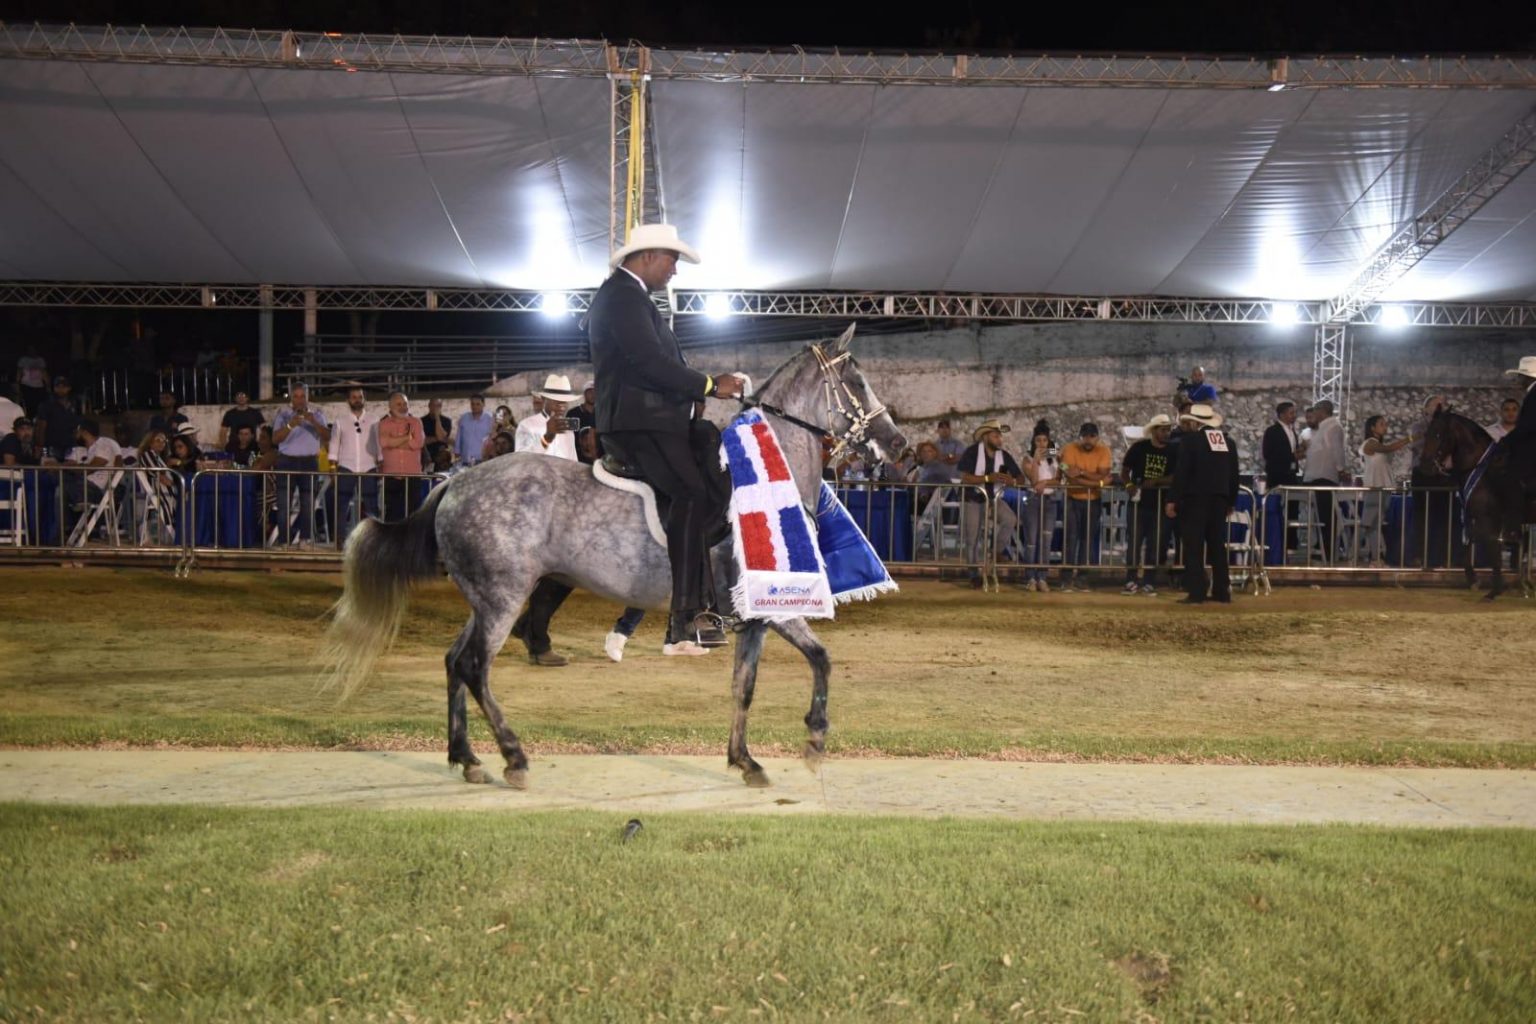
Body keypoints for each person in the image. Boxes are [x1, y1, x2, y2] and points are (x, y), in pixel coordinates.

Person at [587, 223, 745, 654]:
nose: (675, 269)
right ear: (647, 256)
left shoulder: (632, 297)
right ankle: (683, 621)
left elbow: (655, 365)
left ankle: (704, 605)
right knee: (691, 493)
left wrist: (692, 400)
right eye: (672, 259)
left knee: (705, 483)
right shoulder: (622, 296)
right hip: (639, 423)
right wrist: (710, 386)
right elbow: (650, 363)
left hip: (654, 418)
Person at [1167, 404, 1239, 604]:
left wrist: (1172, 499)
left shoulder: (1190, 442)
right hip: (1219, 500)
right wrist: (1230, 500)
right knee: (1217, 546)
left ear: (1194, 422)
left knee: (1194, 546)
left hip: (1195, 499)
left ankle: (1197, 591)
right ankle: (1222, 591)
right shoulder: (1228, 442)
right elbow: (1234, 475)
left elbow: (1182, 473)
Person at [957, 419, 1022, 589]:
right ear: (986, 437)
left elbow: (1020, 478)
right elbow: (965, 477)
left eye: (1000, 436)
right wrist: (987, 478)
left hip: (994, 498)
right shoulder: (972, 452)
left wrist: (1012, 480)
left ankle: (995, 553)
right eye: (996, 435)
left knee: (1010, 519)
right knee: (972, 538)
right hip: (973, 498)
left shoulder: (1004, 455)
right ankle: (973, 575)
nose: (1000, 439)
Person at [1121, 413, 1177, 595]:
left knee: (1156, 544)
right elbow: (1125, 470)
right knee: (1134, 543)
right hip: (1139, 503)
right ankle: (1131, 579)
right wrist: (1129, 485)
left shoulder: (1174, 451)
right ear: (1154, 431)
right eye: (1163, 430)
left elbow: (1177, 476)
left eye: (1168, 429)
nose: (1167, 433)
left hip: (1160, 505)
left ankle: (1149, 580)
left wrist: (1156, 481)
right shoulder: (1139, 448)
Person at [271, 382, 331, 548]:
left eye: (302, 396)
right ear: (291, 397)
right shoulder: (283, 414)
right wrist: (291, 425)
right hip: (286, 461)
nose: (299, 400)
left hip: (309, 462)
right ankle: (284, 541)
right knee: (284, 505)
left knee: (308, 504)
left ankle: (305, 540)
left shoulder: (317, 414)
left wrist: (314, 423)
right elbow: (275, 439)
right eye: (296, 396)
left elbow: (327, 436)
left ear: (307, 397)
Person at [1059, 422, 1111, 591]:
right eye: (1085, 436)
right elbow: (1066, 470)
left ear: (1097, 437)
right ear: (1080, 437)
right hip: (1073, 498)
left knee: (1086, 539)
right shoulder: (1068, 449)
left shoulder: (1104, 451)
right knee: (1070, 538)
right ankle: (1066, 578)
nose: (1088, 440)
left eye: (1092, 436)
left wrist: (1081, 473)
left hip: (1093, 499)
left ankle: (1082, 578)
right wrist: (1096, 482)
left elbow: (1104, 475)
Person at [328, 384, 379, 546]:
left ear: (364, 399)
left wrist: (381, 462)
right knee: (341, 505)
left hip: (369, 465)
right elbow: (334, 444)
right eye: (354, 397)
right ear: (348, 400)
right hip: (346, 466)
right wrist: (332, 468)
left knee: (371, 505)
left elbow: (378, 444)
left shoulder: (374, 420)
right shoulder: (340, 421)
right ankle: (339, 540)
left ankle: (373, 540)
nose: (357, 400)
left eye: (360, 397)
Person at [1358, 415, 1410, 565]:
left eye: (1385, 424)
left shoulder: (1378, 445)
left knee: (1375, 526)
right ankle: (1351, 554)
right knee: (1366, 524)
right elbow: (1388, 448)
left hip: (1384, 488)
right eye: (1381, 424)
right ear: (1372, 428)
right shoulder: (1369, 444)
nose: (1385, 427)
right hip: (1374, 488)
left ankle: (1375, 558)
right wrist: (1410, 439)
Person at [1301, 400, 1347, 562]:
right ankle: (1322, 550)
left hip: (1324, 477)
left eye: (1316, 411)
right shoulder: (1323, 428)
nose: (1313, 414)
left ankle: (1330, 553)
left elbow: (1337, 451)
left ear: (1322, 411)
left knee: (1327, 518)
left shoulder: (1333, 427)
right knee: (1321, 518)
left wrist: (1341, 469)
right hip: (1316, 477)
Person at [62, 418, 123, 536]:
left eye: (77, 431)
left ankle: (63, 531)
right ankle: (66, 529)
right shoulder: (88, 449)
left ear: (84, 432)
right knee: (53, 483)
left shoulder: (104, 442)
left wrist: (75, 468)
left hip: (96, 489)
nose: (75, 434)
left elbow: (94, 466)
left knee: (61, 487)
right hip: (85, 485)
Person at [1016, 423, 1058, 591]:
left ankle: (1042, 577)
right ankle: (1030, 577)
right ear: (1033, 442)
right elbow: (1033, 480)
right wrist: (1035, 460)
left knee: (1046, 540)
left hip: (1050, 500)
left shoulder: (1055, 456)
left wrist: (1046, 482)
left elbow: (1062, 476)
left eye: (1045, 440)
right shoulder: (1027, 458)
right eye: (1038, 440)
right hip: (1033, 500)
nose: (1042, 444)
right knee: (1031, 541)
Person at [375, 391, 425, 522]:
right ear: (390, 407)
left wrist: (394, 443)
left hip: (413, 475)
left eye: (405, 404)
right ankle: (392, 542)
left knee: (414, 513)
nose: (403, 407)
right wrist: (407, 438)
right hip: (392, 476)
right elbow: (384, 442)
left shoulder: (416, 422)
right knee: (392, 513)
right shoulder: (383, 424)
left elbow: (418, 442)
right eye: (399, 404)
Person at [513, 375, 581, 460]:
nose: (561, 407)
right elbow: (520, 460)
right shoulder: (526, 425)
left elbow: (573, 463)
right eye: (556, 401)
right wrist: (546, 439)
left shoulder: (567, 430)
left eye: (564, 402)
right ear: (544, 399)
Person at [34, 376, 80, 461]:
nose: (60, 389)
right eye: (58, 386)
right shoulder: (46, 405)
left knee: (70, 470)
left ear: (69, 388)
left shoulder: (74, 404)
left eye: (63, 386)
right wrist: (40, 445)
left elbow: (77, 423)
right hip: (52, 445)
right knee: (52, 471)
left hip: (70, 444)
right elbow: (41, 427)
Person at [455, 394, 493, 467]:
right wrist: (457, 452)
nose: (474, 406)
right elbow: (459, 436)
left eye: (478, 404)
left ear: (483, 404)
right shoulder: (464, 418)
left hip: (482, 460)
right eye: (472, 404)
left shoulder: (490, 419)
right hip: (465, 459)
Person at [568, 381, 599, 465]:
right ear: (584, 394)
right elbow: (568, 438)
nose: (593, 395)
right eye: (590, 392)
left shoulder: (602, 414)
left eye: (595, 392)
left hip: (600, 461)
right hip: (578, 461)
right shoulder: (573, 414)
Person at [420, 397, 452, 469]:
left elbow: (442, 436)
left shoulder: (446, 421)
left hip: (442, 456)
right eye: (433, 405)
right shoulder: (421, 421)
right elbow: (422, 440)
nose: (435, 408)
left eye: (438, 406)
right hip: (426, 453)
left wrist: (437, 418)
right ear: (429, 406)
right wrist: (438, 438)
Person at [16, 346, 48, 418]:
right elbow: (19, 373)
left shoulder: (40, 360)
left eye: (33, 350)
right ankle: (28, 419)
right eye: (30, 350)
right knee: (28, 404)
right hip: (27, 385)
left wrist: (48, 385)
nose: (32, 351)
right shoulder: (23, 360)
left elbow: (44, 373)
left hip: (39, 386)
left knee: (39, 405)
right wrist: (17, 385)